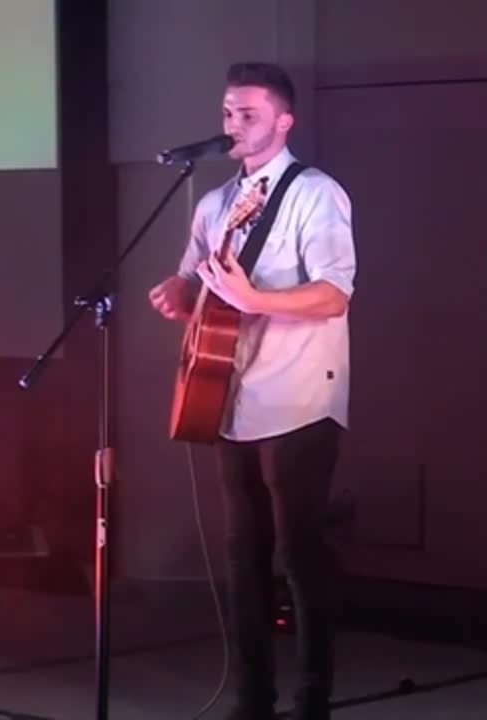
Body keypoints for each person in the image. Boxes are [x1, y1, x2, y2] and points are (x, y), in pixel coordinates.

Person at [147, 61, 356, 720]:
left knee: (299, 549)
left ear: (284, 121)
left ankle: (314, 696)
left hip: (299, 394)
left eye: (248, 114)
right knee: (243, 554)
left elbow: (334, 294)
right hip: (229, 396)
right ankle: (252, 698)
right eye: (228, 113)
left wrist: (256, 299)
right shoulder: (214, 204)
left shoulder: (315, 194)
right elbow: (198, 287)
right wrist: (180, 294)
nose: (233, 124)